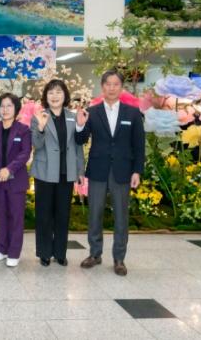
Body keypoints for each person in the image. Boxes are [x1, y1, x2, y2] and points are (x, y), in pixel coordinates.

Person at [75, 69, 145, 276]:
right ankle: (95, 254)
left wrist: (137, 171)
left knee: (121, 216)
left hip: (123, 171)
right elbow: (80, 140)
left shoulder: (132, 113)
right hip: (98, 170)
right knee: (94, 214)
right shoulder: (92, 112)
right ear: (102, 87)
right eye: (108, 84)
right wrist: (80, 125)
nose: (112, 88)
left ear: (121, 87)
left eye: (116, 84)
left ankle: (119, 258)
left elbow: (139, 145)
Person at [30, 80, 85, 267]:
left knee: (63, 214)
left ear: (65, 95)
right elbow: (36, 145)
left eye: (58, 92)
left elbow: (78, 146)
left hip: (66, 172)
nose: (54, 96)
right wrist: (41, 127)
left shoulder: (73, 117)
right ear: (46, 96)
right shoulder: (39, 117)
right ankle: (45, 253)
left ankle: (60, 253)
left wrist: (80, 170)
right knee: (44, 214)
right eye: (51, 92)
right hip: (45, 172)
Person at [0, 93, 31, 267]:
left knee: (16, 217)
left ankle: (14, 252)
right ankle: (1, 248)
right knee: (1, 215)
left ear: (16, 109)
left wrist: (9, 169)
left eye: (9, 105)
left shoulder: (23, 130)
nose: (5, 109)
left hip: (15, 179)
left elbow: (25, 153)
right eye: (2, 106)